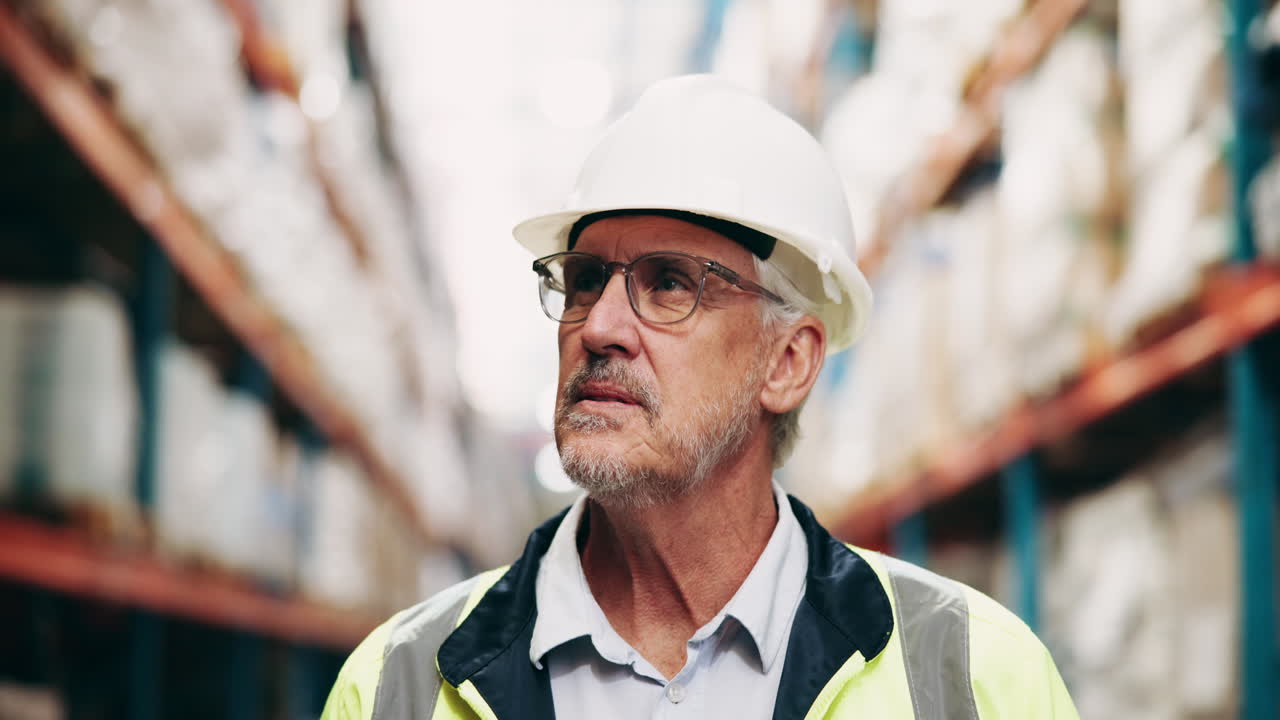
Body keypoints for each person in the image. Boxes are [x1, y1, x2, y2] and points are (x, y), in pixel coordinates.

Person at [320, 74, 1079, 720]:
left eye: (671, 284)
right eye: (585, 280)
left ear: (787, 362)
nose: (601, 327)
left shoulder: (976, 680)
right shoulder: (396, 685)